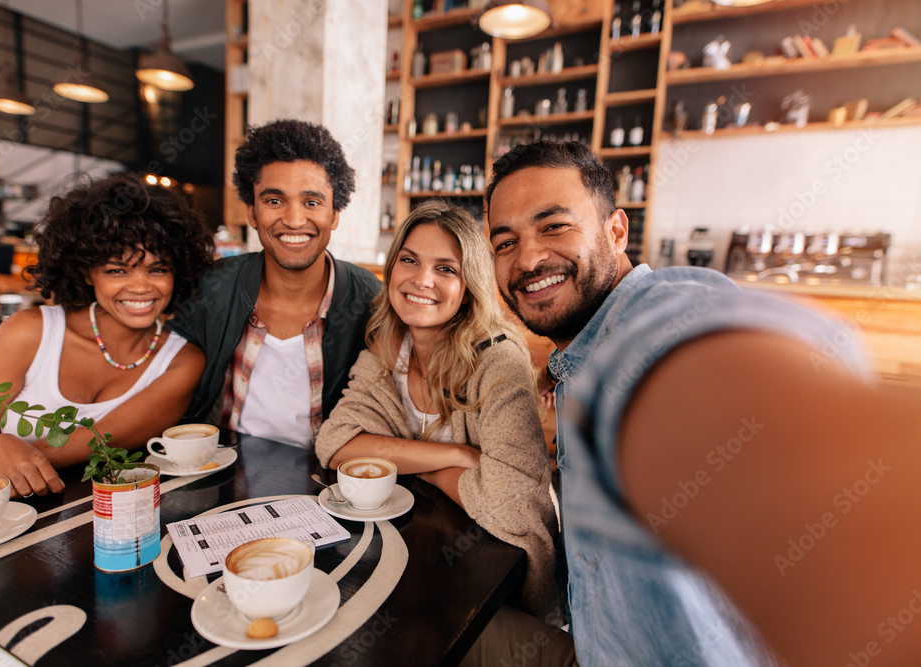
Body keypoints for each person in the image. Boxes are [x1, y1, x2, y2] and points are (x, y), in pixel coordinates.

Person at [485, 140, 920, 665]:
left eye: (554, 226)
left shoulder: (653, 325)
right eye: (505, 242)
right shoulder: (575, 359)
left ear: (617, 231)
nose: (528, 258)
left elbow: (689, 365)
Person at [315, 201, 563, 628]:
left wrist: (411, 464)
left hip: (500, 591)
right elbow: (335, 444)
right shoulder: (387, 347)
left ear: (470, 284)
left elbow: (515, 503)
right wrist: (458, 457)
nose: (421, 279)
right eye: (409, 260)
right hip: (418, 558)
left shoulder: (499, 361)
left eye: (446, 268)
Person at [0, 175, 214, 498]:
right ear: (86, 271)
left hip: (98, 527)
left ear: (177, 272)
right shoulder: (28, 333)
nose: (141, 286)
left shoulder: (182, 363)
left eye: (158, 269)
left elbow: (74, 449)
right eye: (117, 270)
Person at [168, 119, 381, 448]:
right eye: (274, 201)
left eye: (312, 202)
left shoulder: (368, 298)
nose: (294, 220)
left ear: (335, 213)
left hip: (326, 481)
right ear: (252, 212)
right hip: (223, 469)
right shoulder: (212, 286)